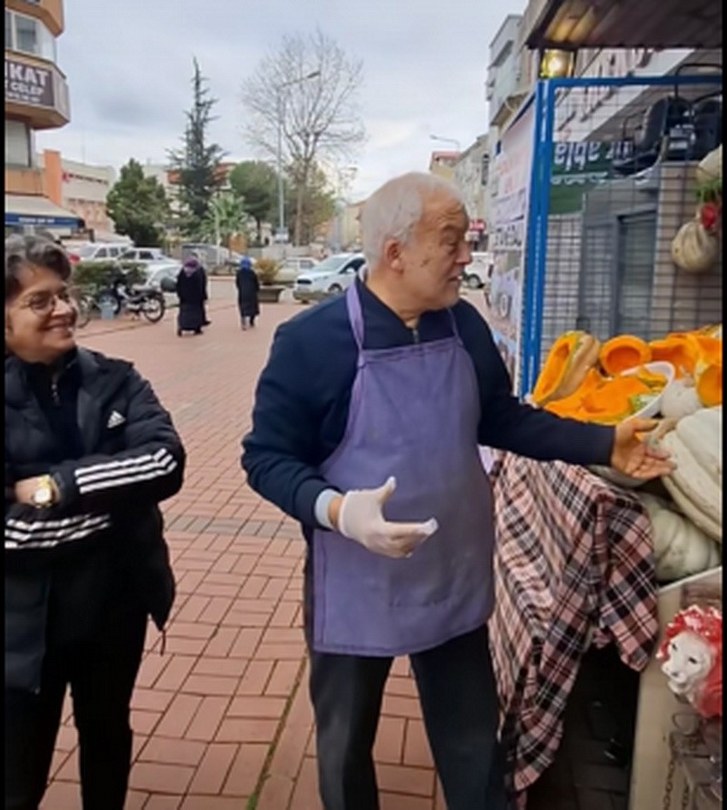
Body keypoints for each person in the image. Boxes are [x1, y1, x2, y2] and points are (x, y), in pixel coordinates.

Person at [241, 172, 673, 810]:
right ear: (395, 252)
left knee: (472, 744)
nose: (467, 257)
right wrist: (336, 510)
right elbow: (266, 457)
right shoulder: (311, 343)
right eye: (452, 242)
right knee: (344, 743)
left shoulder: (462, 326)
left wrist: (605, 443)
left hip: (453, 572)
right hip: (358, 580)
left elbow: (501, 417)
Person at [5, 234, 186, 810]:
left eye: (63, 294)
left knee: (107, 736)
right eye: (39, 301)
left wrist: (61, 486)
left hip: (113, 604)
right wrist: (112, 503)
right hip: (20, 623)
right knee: (18, 760)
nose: (62, 308)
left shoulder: (116, 378)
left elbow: (164, 460)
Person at [175, 256, 206, 336]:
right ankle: (196, 328)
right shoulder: (197, 272)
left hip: (184, 298)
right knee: (196, 314)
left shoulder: (182, 272)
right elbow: (200, 285)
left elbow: (178, 284)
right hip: (195, 299)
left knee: (183, 313)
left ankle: (181, 326)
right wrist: (202, 296)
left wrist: (180, 294)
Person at [235, 256, 260, 330]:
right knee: (253, 308)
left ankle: (243, 322)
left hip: (242, 293)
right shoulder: (252, 273)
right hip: (251, 293)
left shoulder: (239, 273)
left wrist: (240, 289)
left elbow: (237, 283)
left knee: (243, 307)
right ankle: (252, 321)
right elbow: (256, 282)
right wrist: (257, 289)